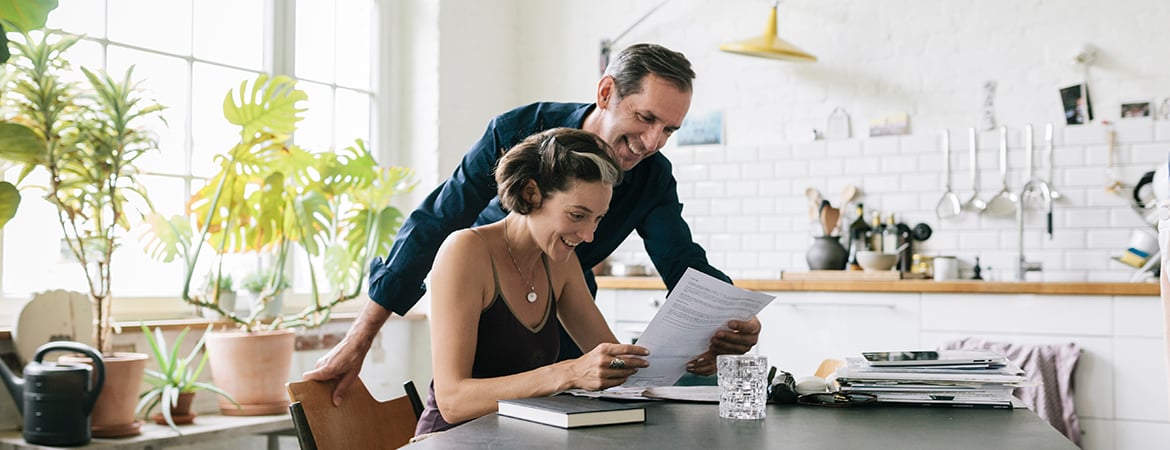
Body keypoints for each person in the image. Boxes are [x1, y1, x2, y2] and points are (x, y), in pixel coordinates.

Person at [304, 43, 761, 406]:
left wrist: (726, 322)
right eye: (645, 118)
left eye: (668, 130)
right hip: (484, 307)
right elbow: (436, 222)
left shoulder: (638, 190)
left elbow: (682, 262)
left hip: (561, 305)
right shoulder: (516, 133)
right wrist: (361, 337)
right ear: (606, 94)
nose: (651, 142)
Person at [414, 127, 647, 433]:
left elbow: (612, 360)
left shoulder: (559, 262)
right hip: (450, 440)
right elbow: (453, 402)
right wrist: (569, 372)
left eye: (597, 219)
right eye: (577, 215)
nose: (589, 236)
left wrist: (676, 356)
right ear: (531, 193)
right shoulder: (465, 251)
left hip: (515, 437)